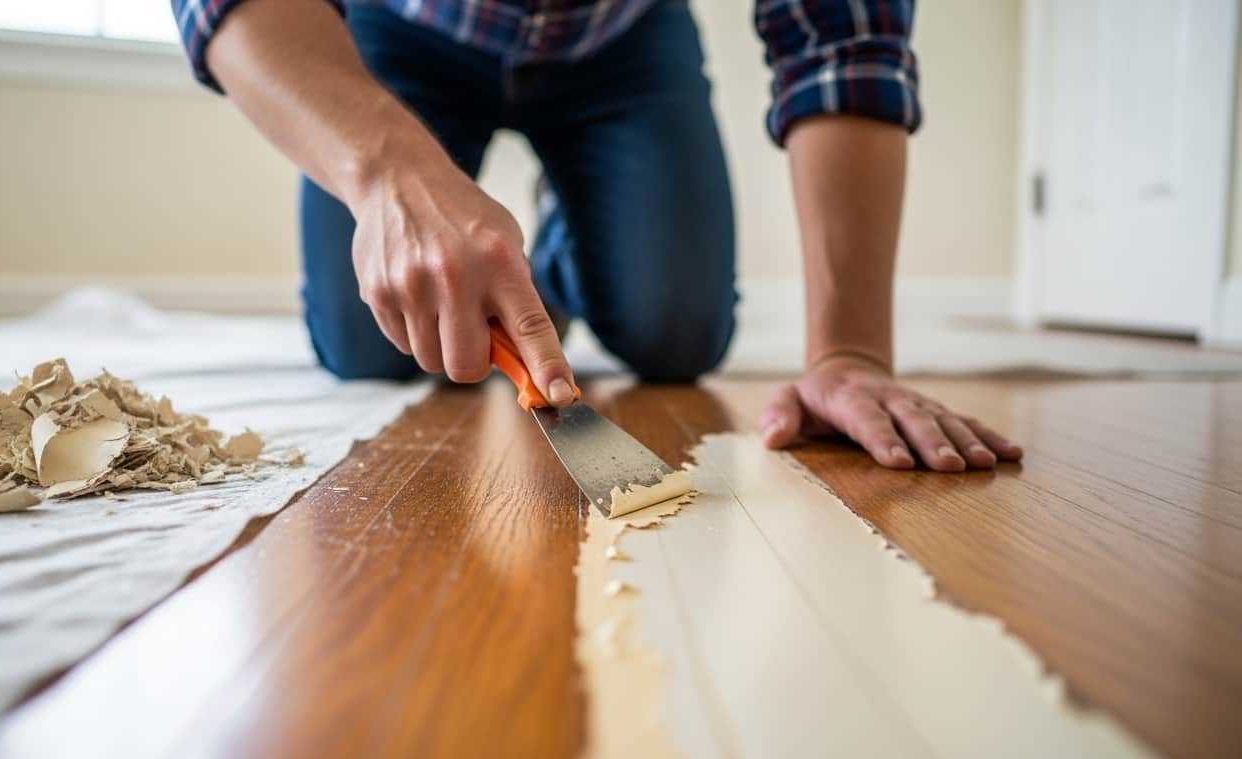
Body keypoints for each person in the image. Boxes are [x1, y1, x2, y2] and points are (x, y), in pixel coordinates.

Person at [172, 0, 1023, 472]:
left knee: (675, 335)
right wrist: (385, 176)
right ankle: (519, 252)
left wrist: (852, 353)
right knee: (376, 342)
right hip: (400, 30)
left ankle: (550, 259)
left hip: (622, 41)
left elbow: (843, 37)